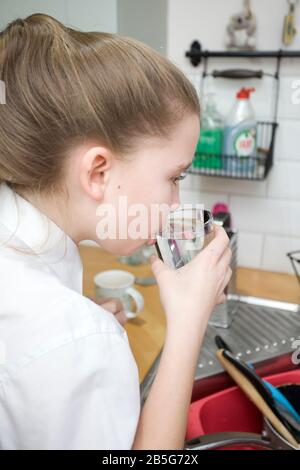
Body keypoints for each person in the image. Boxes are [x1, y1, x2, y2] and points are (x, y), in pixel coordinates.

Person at [0, 14, 231, 450]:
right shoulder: (74, 338)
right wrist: (187, 322)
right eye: (175, 177)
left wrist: (81, 335)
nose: (175, 205)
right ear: (99, 172)